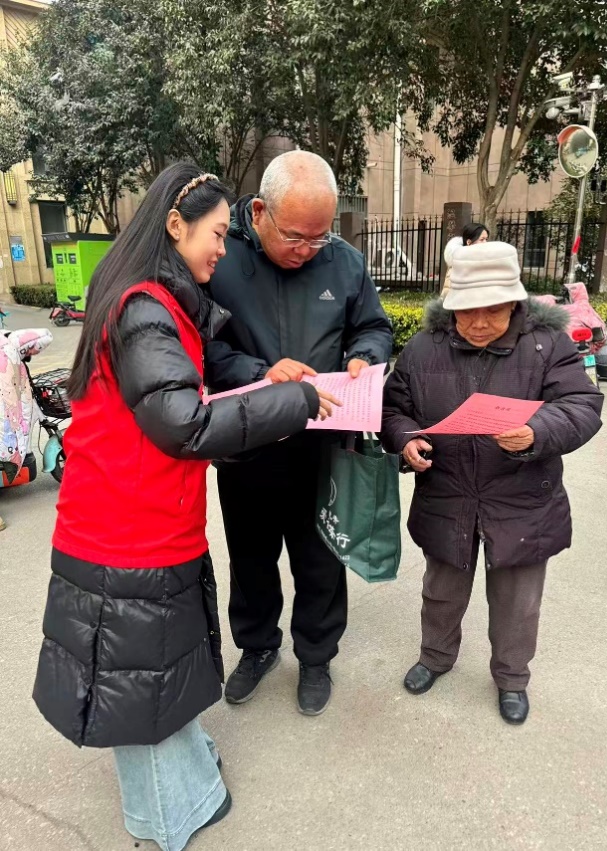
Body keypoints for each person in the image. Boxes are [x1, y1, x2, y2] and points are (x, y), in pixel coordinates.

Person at [32, 162, 338, 851]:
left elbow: (189, 394)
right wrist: (291, 402)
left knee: (157, 669)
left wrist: (261, 389)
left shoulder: (159, 302)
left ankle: (187, 780)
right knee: (140, 684)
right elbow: (185, 424)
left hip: (144, 520)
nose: (223, 249)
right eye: (218, 233)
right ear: (175, 224)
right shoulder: (144, 306)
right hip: (123, 533)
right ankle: (168, 817)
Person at [382, 241, 603, 725]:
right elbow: (394, 409)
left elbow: (583, 406)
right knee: (441, 590)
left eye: (493, 311)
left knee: (518, 602)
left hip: (523, 498)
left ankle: (512, 678)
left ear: (515, 303)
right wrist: (406, 440)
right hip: (447, 494)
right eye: (467, 312)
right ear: (451, 305)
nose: (479, 323)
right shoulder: (423, 348)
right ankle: (435, 657)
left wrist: (537, 431)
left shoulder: (548, 346)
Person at [206, 150, 393, 716]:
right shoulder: (220, 259)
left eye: (320, 236)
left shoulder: (345, 263)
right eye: (295, 236)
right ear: (259, 212)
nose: (308, 249)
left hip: (322, 443)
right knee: (251, 556)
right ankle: (258, 647)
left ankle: (316, 656)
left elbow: (373, 327)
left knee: (320, 558)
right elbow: (203, 350)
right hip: (248, 441)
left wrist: (364, 356)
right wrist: (261, 372)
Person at [441, 222, 490, 299]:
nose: (485, 243)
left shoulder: (486, 263)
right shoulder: (458, 264)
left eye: (486, 239)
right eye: (482, 240)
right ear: (469, 242)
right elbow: (448, 293)